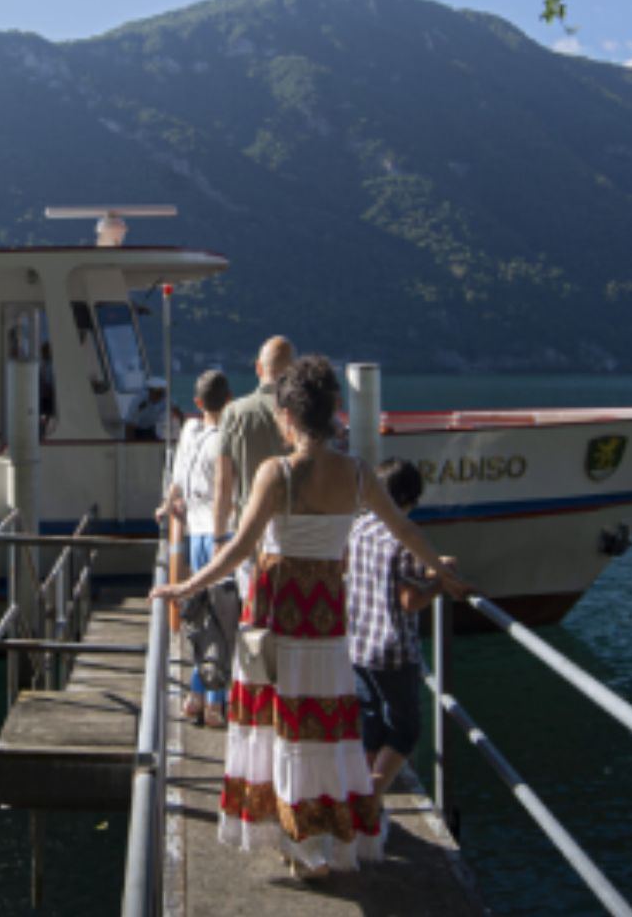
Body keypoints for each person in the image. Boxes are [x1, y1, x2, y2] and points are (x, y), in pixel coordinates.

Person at [151, 356, 470, 879]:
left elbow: (239, 551)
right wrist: (442, 573)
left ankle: (298, 843)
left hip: (276, 615)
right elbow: (406, 532)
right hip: (325, 623)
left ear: (287, 416)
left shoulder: (276, 473)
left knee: (279, 730)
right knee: (323, 732)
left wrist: (185, 586)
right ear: (334, 410)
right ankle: (318, 837)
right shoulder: (359, 473)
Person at [347, 459, 470, 799]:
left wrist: (431, 567)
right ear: (410, 498)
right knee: (406, 730)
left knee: (372, 722)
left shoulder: (360, 527)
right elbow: (409, 600)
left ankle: (361, 792)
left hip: (359, 645)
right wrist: (441, 583)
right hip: (392, 650)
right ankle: (371, 797)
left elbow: (383, 574)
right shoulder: (402, 538)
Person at [163, 370, 238, 727]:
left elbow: (177, 481)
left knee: (199, 617)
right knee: (223, 623)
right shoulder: (227, 438)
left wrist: (167, 506)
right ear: (230, 400)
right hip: (221, 535)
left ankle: (196, 695)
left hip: (196, 534)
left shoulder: (190, 432)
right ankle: (214, 701)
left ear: (197, 402)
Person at [212, 336, 295, 601]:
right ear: (292, 370)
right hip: (296, 535)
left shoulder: (235, 413)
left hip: (250, 535)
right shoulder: (300, 414)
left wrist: (219, 539)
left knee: (253, 613)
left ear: (259, 367)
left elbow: (223, 485)